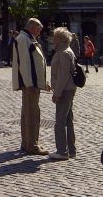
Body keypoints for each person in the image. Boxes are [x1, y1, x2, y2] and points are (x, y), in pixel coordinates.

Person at [12, 18, 50, 155]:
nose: (40, 31)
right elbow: (25, 64)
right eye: (39, 28)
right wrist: (29, 84)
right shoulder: (24, 39)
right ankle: (32, 145)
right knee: (32, 114)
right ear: (32, 27)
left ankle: (27, 142)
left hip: (33, 83)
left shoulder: (29, 38)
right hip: (30, 85)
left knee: (28, 113)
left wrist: (42, 81)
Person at [48, 27, 77, 161]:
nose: (53, 39)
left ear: (60, 39)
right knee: (68, 120)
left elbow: (63, 76)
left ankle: (62, 151)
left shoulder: (64, 53)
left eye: (54, 37)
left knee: (60, 122)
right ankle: (71, 150)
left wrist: (57, 93)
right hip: (68, 89)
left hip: (65, 90)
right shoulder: (66, 51)